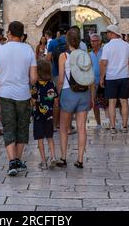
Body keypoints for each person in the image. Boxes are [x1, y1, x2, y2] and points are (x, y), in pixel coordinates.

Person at [0, 21, 37, 176]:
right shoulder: (29, 50)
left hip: (5, 94)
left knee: (9, 127)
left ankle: (12, 162)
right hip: (23, 94)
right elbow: (34, 78)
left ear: (9, 33)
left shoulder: (0, 51)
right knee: (22, 127)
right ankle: (17, 159)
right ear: (22, 34)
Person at [56, 30, 94, 169]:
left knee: (64, 127)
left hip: (68, 92)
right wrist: (91, 96)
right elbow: (89, 77)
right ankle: (80, 159)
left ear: (67, 41)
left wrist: (58, 95)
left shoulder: (64, 56)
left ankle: (63, 157)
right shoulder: (85, 55)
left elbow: (60, 79)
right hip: (84, 93)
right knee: (81, 127)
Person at [100, 24, 129, 134]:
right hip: (124, 76)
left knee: (112, 102)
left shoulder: (107, 47)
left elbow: (104, 63)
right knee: (124, 101)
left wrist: (101, 78)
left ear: (112, 33)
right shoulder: (126, 45)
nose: (107, 34)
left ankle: (113, 127)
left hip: (111, 78)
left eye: (108, 32)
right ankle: (124, 126)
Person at [31, 60, 58, 170]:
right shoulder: (52, 84)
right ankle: (53, 157)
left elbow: (33, 101)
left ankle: (43, 161)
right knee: (50, 137)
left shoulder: (35, 86)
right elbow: (56, 101)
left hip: (38, 116)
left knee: (40, 139)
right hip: (49, 116)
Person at [90, 33, 109, 129]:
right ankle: (98, 123)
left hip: (104, 80)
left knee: (106, 102)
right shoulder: (90, 54)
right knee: (94, 103)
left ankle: (108, 121)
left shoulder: (104, 52)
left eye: (95, 41)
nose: (94, 43)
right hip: (93, 82)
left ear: (100, 41)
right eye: (92, 41)